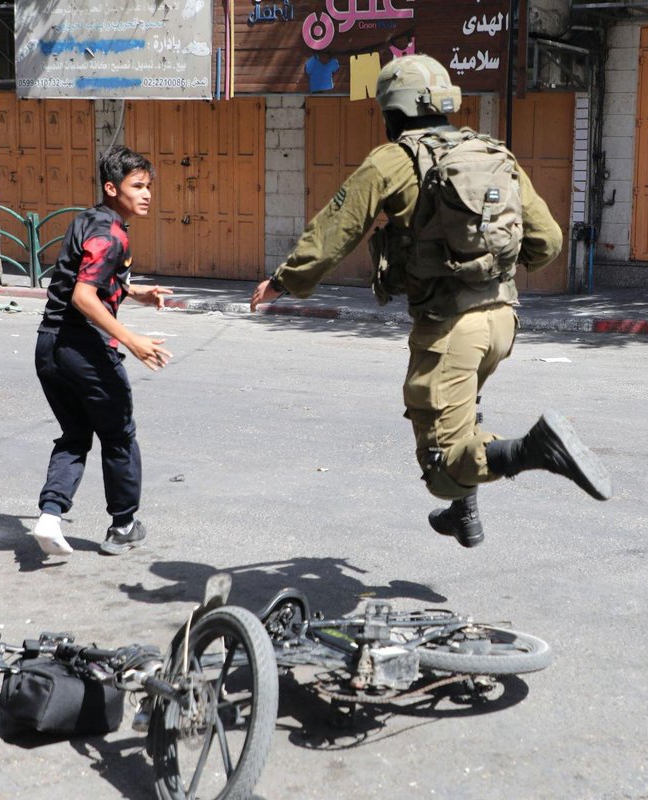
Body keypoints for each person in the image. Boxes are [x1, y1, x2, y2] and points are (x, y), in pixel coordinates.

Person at [251, 54, 611, 548]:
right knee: (464, 411)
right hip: (503, 322)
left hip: (449, 329)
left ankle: (535, 449)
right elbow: (546, 242)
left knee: (443, 468)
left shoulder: (391, 160)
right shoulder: (492, 152)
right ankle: (464, 515)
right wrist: (491, 264)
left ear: (392, 111)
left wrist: (283, 281)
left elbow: (333, 232)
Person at [32, 145, 174, 557]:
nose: (147, 194)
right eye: (138, 186)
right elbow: (83, 296)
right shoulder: (110, 233)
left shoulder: (89, 220)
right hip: (82, 348)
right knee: (118, 435)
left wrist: (136, 292)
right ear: (112, 188)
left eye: (149, 186)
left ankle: (50, 516)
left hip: (49, 346)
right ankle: (124, 525)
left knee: (75, 435)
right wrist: (133, 340)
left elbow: (93, 278)